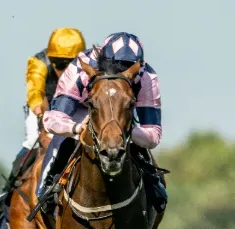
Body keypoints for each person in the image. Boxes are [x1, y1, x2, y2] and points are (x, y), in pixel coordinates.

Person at [38, 32, 167, 214]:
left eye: (130, 68)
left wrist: (125, 131)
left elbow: (153, 135)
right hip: (84, 109)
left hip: (122, 114)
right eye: (118, 67)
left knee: (144, 154)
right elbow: (52, 119)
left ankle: (154, 186)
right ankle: (46, 186)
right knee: (60, 142)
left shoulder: (147, 77)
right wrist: (76, 128)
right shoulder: (81, 67)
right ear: (103, 62)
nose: (125, 73)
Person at [0, 27, 85, 229]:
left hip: (76, 111)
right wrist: (42, 116)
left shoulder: (89, 64)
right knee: (31, 141)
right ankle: (6, 205)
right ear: (50, 58)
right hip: (45, 108)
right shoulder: (38, 62)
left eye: (71, 63)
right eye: (60, 64)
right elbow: (36, 92)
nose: (65, 70)